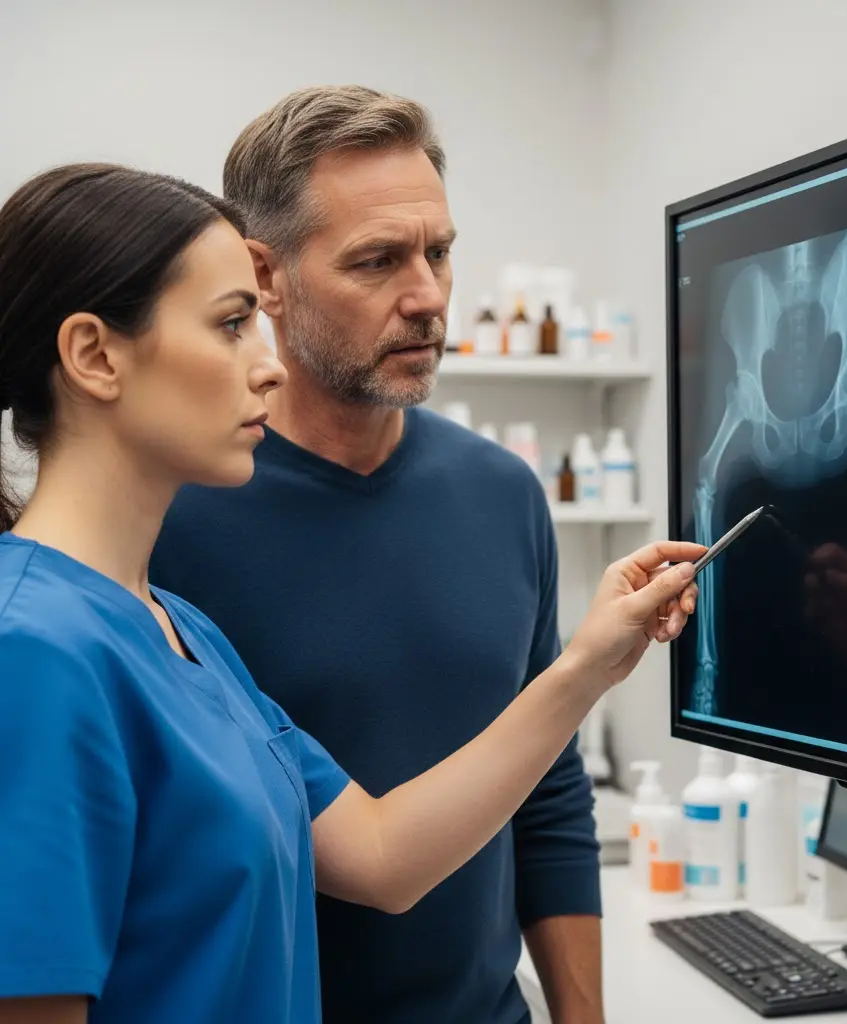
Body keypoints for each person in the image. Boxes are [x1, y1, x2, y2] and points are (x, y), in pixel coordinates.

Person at [0, 162, 702, 1024]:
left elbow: (382, 858)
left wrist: (589, 666)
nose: (267, 367)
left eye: (439, 253)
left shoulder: (177, 629)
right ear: (94, 355)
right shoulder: (30, 653)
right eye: (230, 325)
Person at [146, 86, 612, 1023]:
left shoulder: (503, 494)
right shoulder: (166, 520)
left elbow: (549, 794)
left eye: (439, 252)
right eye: (378, 261)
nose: (429, 295)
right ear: (264, 278)